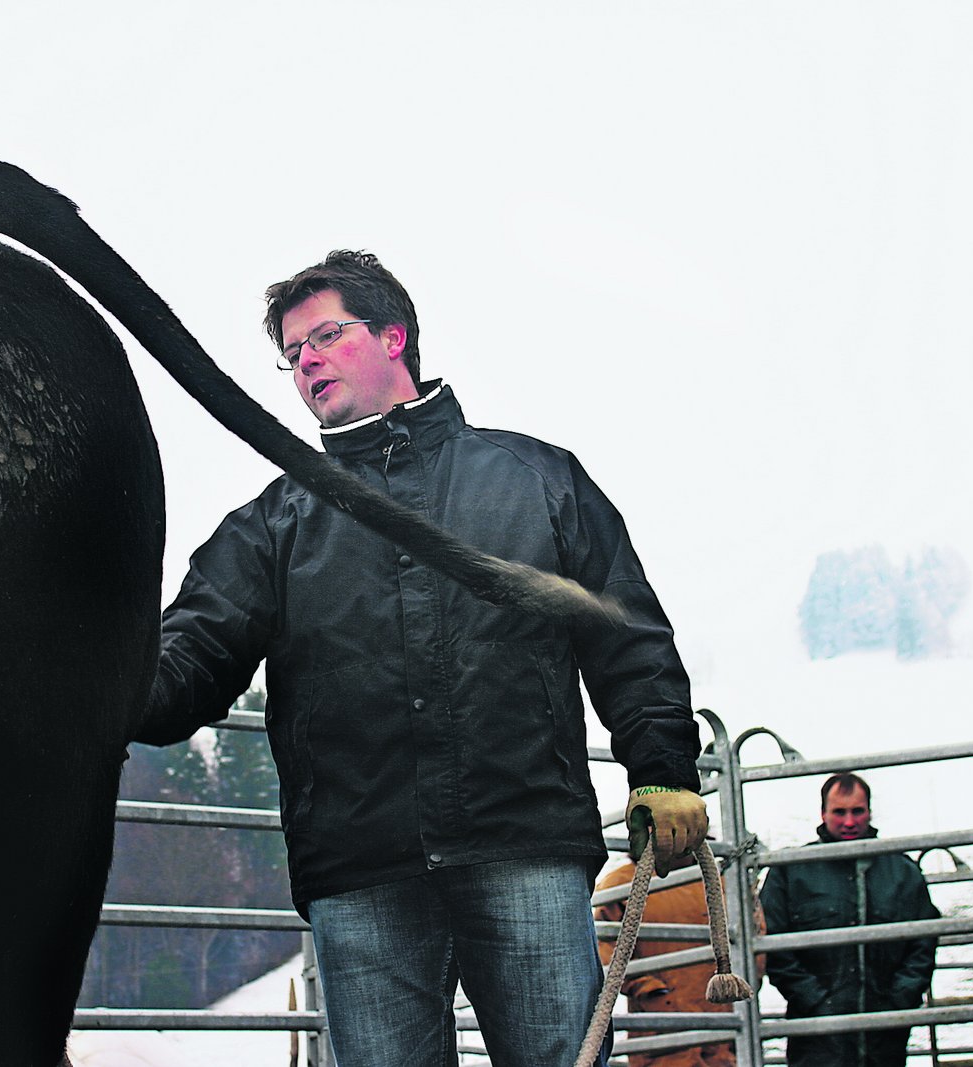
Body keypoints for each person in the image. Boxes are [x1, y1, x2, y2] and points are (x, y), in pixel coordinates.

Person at [134, 250, 707, 1067]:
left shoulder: (538, 479)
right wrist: (94, 678)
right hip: (361, 869)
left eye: (325, 336)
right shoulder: (272, 524)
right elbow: (188, 660)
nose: (307, 362)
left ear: (393, 336)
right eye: (292, 353)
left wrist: (663, 767)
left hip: (525, 842)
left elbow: (628, 637)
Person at [759, 772, 940, 1067]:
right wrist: (815, 1002)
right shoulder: (789, 871)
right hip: (816, 1038)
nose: (849, 821)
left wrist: (899, 1000)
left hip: (885, 1036)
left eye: (857, 811)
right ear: (823, 813)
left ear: (870, 811)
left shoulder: (904, 872)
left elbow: (924, 942)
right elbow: (774, 945)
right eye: (839, 812)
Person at [594, 855, 764, 1067]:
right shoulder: (621, 883)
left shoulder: (725, 877)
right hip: (664, 1024)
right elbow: (603, 947)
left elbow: (755, 939)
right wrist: (649, 990)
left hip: (723, 1023)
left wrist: (744, 988)